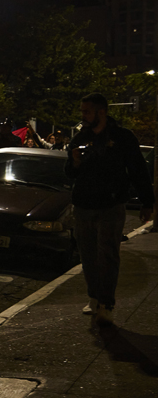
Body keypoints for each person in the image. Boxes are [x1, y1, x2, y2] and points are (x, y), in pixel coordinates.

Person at [65, 93, 154, 327]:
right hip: (84, 204)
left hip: (111, 205)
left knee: (108, 254)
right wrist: (74, 161)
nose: (83, 116)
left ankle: (107, 303)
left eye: (87, 112)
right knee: (88, 254)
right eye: (82, 111)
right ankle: (94, 296)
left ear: (101, 112)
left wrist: (147, 202)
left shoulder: (123, 138)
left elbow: (137, 170)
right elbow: (69, 174)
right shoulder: (80, 138)